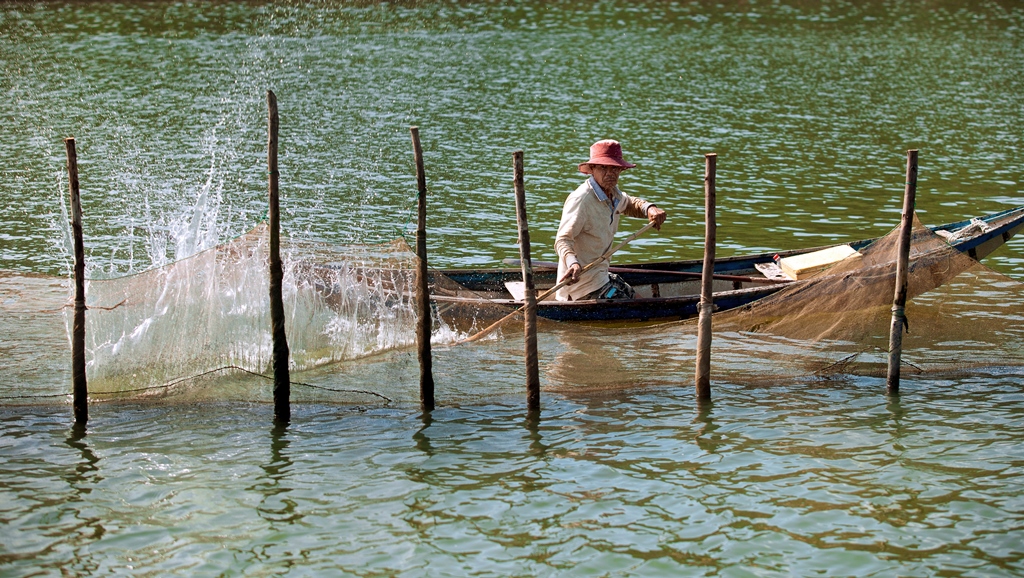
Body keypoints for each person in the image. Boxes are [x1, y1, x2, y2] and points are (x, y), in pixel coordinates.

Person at [554, 139, 667, 301]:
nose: (610, 173)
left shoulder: (613, 194)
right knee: (637, 309)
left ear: (621, 170)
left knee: (639, 299)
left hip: (601, 277)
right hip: (581, 287)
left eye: (615, 168)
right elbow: (563, 240)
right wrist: (573, 264)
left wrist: (650, 208)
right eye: (603, 167)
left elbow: (630, 204)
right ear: (592, 169)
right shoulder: (582, 200)